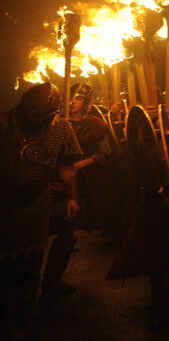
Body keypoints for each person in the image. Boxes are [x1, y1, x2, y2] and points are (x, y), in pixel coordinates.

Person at [0, 83, 81, 338]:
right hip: (3, 204)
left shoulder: (60, 128)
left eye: (41, 115)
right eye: (31, 112)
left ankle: (20, 323)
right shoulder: (3, 125)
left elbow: (67, 167)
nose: (34, 119)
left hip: (36, 205)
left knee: (30, 269)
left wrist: (73, 198)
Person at [43, 83, 117, 295]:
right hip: (52, 183)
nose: (73, 101)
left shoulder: (96, 125)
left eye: (78, 98)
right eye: (71, 97)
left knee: (67, 233)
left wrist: (78, 165)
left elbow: (106, 153)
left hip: (82, 183)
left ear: (87, 102)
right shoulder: (54, 124)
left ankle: (52, 280)